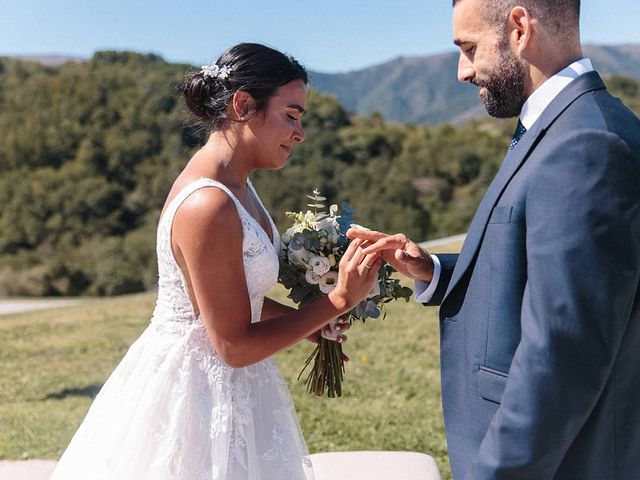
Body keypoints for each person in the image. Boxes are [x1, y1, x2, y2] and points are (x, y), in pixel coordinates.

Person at [50, 43, 381, 480]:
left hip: (234, 389)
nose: (300, 132)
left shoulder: (238, 186)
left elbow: (234, 300)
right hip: (196, 396)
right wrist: (337, 300)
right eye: (291, 114)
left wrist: (309, 322)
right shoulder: (208, 205)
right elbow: (233, 346)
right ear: (244, 105)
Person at [348, 1, 640, 478]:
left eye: (469, 48)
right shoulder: (569, 126)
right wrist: (436, 269)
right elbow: (544, 268)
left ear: (519, 28)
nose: (462, 71)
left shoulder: (584, 145)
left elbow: (561, 354)